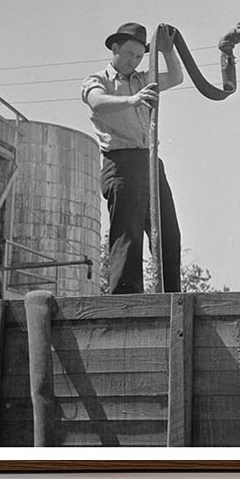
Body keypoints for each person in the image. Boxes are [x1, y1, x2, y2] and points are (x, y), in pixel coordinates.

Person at [81, 22, 184, 294]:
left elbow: (176, 77)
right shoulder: (97, 80)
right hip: (121, 163)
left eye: (139, 56)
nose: (134, 61)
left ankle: (172, 295)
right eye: (128, 54)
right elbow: (97, 102)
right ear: (114, 49)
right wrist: (133, 100)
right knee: (128, 237)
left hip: (149, 162)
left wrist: (168, 51)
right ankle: (126, 303)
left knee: (168, 233)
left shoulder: (143, 78)